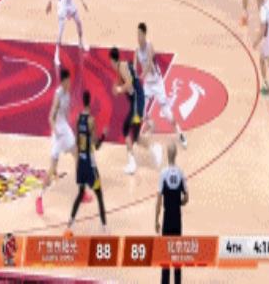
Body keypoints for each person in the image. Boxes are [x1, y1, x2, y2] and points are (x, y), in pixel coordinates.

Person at [36, 68, 92, 214]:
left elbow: (65, 116)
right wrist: (55, 131)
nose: (70, 83)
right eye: (68, 81)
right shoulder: (59, 95)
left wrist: (70, 129)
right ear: (64, 81)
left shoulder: (67, 94)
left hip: (65, 130)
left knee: (78, 156)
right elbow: (51, 116)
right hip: (58, 133)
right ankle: (39, 198)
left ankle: (82, 192)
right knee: (52, 168)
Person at [109, 46, 162, 175]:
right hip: (137, 101)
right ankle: (153, 149)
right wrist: (118, 87)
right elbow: (127, 82)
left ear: (112, 60)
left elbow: (129, 83)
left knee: (127, 130)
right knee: (135, 136)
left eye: (110, 61)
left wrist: (119, 89)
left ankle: (133, 163)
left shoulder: (122, 67)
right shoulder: (122, 67)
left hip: (137, 102)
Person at [134, 23, 187, 148]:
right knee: (140, 110)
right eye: (137, 34)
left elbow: (149, 64)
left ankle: (180, 133)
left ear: (144, 35)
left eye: (140, 34)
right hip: (147, 85)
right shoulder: (137, 51)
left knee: (168, 114)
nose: (138, 37)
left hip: (157, 85)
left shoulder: (149, 46)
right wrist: (134, 75)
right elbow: (135, 66)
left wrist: (141, 75)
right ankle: (149, 124)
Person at [66, 90, 107, 234]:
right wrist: (104, 135)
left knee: (80, 193)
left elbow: (78, 141)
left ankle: (70, 222)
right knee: (99, 195)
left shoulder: (79, 118)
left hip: (81, 162)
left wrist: (77, 162)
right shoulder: (91, 120)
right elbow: (96, 145)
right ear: (90, 102)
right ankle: (105, 227)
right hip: (90, 163)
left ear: (83, 102)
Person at [155, 142, 188, 284]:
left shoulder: (163, 174)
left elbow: (159, 200)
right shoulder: (181, 173)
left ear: (167, 155)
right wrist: (178, 203)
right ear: (176, 155)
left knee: (165, 258)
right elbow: (186, 197)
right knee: (177, 257)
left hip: (167, 219)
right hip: (177, 220)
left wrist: (156, 220)